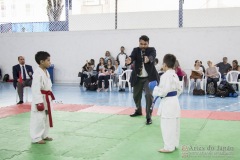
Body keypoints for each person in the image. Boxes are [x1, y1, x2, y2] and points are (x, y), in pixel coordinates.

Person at [150, 54, 182, 153]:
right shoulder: (175, 75)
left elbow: (163, 92)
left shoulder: (165, 76)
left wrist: (154, 88)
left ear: (164, 64)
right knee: (175, 125)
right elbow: (180, 90)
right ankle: (175, 144)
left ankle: (168, 147)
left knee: (167, 125)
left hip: (168, 104)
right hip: (175, 101)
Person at [125, 35, 159, 125]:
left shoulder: (152, 49)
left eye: (145, 44)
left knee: (148, 95)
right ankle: (138, 110)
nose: (143, 46)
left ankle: (148, 117)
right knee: (136, 96)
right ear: (139, 43)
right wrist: (129, 60)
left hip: (149, 78)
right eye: (141, 44)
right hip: (137, 77)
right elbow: (132, 57)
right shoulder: (135, 50)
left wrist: (149, 59)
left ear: (148, 43)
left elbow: (152, 56)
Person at [30, 51, 55, 144]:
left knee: (47, 116)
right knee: (39, 118)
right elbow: (35, 89)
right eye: (48, 60)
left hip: (47, 97)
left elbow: (49, 86)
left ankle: (44, 135)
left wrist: (50, 97)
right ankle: (36, 137)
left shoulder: (46, 71)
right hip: (40, 98)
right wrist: (38, 102)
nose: (50, 62)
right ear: (41, 61)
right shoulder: (37, 73)